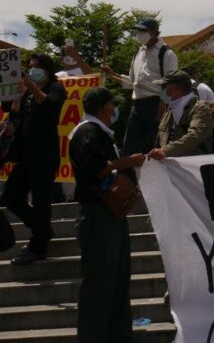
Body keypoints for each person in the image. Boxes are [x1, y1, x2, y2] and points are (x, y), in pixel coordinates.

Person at [68, 87, 145, 343]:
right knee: (100, 284)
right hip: (97, 215)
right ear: (103, 107)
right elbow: (97, 169)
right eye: (113, 104)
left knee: (118, 280)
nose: (115, 110)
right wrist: (130, 161)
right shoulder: (87, 132)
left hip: (111, 215)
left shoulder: (100, 132)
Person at [0, 54, 66, 265]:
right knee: (11, 196)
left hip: (44, 155)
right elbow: (15, 117)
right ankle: (42, 230)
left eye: (37, 67)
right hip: (26, 155)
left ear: (47, 70)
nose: (32, 70)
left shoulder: (55, 89)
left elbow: (48, 107)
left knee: (41, 201)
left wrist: (30, 85)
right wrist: (19, 94)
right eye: (30, 67)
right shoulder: (28, 92)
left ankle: (38, 245)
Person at [101, 18, 178, 162]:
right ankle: (130, 182)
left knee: (154, 149)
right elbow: (131, 82)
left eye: (143, 31)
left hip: (156, 105)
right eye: (138, 31)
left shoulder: (166, 53)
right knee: (129, 149)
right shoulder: (138, 52)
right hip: (137, 106)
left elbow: (172, 83)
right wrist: (112, 74)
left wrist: (162, 106)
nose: (139, 34)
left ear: (154, 32)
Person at [148, 71, 214, 160]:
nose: (162, 90)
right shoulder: (169, 110)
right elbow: (160, 140)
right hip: (168, 166)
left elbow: (195, 135)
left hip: (192, 166)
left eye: (164, 86)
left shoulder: (200, 109)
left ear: (174, 88)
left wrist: (166, 151)